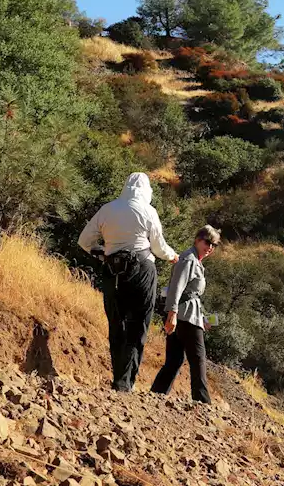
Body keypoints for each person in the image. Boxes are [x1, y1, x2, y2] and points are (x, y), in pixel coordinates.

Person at [78, 173, 179, 392]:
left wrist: (104, 255)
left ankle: (118, 378)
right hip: (142, 271)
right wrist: (172, 256)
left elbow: (84, 241)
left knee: (116, 325)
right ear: (146, 190)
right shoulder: (148, 211)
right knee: (138, 326)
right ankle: (126, 383)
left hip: (112, 272)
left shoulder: (107, 209)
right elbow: (159, 247)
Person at [151, 224, 220, 403]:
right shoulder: (189, 259)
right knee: (198, 359)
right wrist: (172, 313)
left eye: (214, 245)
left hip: (187, 314)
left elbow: (190, 294)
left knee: (174, 360)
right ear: (197, 240)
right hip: (184, 316)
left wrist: (202, 318)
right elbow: (177, 287)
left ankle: (156, 396)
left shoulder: (194, 260)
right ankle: (203, 403)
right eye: (208, 242)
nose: (210, 247)